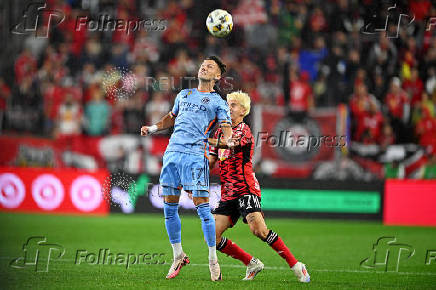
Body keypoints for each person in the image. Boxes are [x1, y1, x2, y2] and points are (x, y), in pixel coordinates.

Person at [141, 56, 234, 281]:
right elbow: (171, 118)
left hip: (195, 156)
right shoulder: (184, 94)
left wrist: (228, 139)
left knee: (202, 208)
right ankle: (178, 255)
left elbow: (226, 127)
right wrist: (153, 128)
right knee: (169, 207)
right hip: (172, 154)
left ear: (218, 76)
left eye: (210, 66)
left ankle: (213, 259)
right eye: (202, 64)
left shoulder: (218, 102)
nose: (204, 66)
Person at [208, 91, 311, 283]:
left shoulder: (244, 131)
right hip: (228, 192)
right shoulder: (217, 132)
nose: (228, 108)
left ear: (243, 111)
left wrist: (202, 139)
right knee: (212, 236)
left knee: (259, 231)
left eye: (233, 105)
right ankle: (251, 263)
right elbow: (211, 162)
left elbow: (231, 144)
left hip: (246, 188)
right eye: (227, 104)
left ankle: (297, 265)